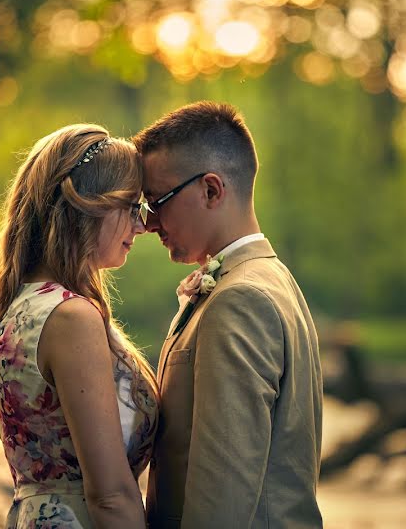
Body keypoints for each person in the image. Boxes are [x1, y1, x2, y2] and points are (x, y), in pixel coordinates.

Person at [134, 102, 324, 528]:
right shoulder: (272, 279)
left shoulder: (239, 299)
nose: (148, 225)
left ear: (211, 190)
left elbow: (223, 492)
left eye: (157, 202)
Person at [0, 125, 158, 529]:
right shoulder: (71, 318)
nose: (141, 226)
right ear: (88, 206)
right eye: (130, 206)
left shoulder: (24, 305)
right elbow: (109, 494)